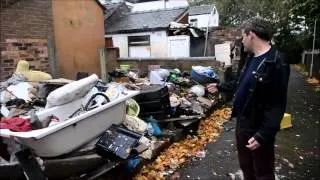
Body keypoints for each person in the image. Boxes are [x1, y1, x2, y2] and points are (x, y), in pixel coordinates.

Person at [207, 17, 290, 179]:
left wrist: (264, 134)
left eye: (243, 37)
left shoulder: (276, 62)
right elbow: (241, 83)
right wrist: (219, 86)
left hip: (258, 128)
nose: (242, 41)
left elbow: (277, 104)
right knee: (247, 168)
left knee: (263, 172)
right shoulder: (251, 58)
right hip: (243, 123)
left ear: (251, 35)